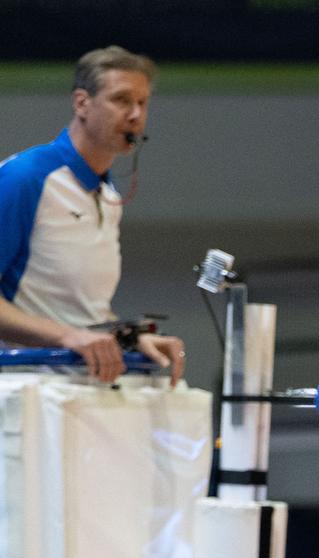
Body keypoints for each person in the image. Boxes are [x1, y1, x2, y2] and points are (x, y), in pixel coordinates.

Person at [0, 45, 185, 386]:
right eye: (121, 100)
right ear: (82, 103)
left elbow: (84, 316)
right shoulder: (25, 177)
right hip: (22, 391)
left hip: (83, 389)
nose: (135, 115)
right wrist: (69, 336)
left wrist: (129, 340)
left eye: (142, 103)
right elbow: (73, 329)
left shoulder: (108, 194)